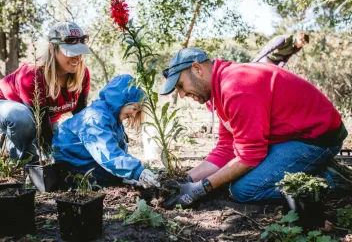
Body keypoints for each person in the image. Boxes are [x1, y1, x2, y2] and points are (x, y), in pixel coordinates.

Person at [159, 47, 348, 209]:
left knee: (245, 189)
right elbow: (227, 147)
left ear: (197, 69)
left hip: (317, 138)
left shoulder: (235, 88)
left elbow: (249, 156)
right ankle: (308, 167)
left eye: (181, 86)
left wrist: (202, 188)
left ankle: (330, 180)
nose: (182, 95)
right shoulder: (217, 94)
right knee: (229, 178)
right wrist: (186, 180)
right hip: (290, 136)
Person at [0, 21, 91, 160]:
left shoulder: (82, 74)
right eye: (71, 52)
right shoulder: (32, 74)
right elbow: (41, 124)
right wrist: (53, 158)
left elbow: (80, 114)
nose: (77, 57)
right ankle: (18, 160)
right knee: (24, 123)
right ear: (52, 48)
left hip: (46, 120)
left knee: (64, 149)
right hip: (7, 108)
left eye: (80, 51)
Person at [52, 74, 160, 189]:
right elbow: (108, 155)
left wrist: (128, 175)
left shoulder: (112, 117)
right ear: (121, 101)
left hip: (87, 162)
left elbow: (118, 150)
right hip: (71, 166)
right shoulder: (96, 118)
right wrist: (138, 172)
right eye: (133, 108)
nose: (133, 114)